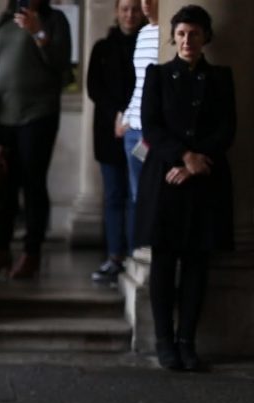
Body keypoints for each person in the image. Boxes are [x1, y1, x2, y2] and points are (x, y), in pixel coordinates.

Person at [135, 5, 234, 372]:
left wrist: (196, 162)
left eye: (193, 33)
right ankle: (164, 340)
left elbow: (227, 129)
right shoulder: (158, 75)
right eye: (180, 34)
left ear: (206, 36)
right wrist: (182, 157)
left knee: (197, 262)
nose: (187, 40)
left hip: (204, 182)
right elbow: (151, 126)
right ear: (173, 37)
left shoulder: (221, 78)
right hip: (165, 180)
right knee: (163, 262)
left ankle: (187, 341)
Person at [0, 0, 71, 279]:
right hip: (3, 116)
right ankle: (0, 250)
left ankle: (31, 252)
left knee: (33, 184)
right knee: (4, 186)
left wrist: (38, 32)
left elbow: (61, 66)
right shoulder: (4, 20)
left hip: (38, 114)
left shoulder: (55, 21)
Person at [88, 0, 145, 286]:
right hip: (109, 132)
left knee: (136, 196)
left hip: (138, 131)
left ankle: (136, 254)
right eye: (125, 9)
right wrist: (117, 113)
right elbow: (93, 87)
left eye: (135, 8)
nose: (130, 14)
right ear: (116, 11)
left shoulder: (148, 42)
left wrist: (130, 115)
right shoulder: (102, 48)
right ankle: (114, 256)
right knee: (113, 196)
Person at [120, 0, 159, 255]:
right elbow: (140, 83)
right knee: (135, 195)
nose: (145, 3)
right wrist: (127, 116)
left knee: (151, 195)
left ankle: (148, 251)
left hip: (152, 131)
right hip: (133, 129)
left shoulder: (170, 33)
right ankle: (136, 253)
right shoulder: (144, 33)